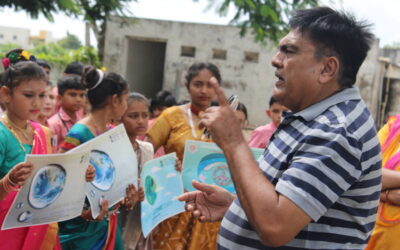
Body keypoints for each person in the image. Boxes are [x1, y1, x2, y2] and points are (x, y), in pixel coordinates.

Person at [178, 7, 382, 249]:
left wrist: (233, 142)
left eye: (290, 51)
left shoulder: (336, 130)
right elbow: (290, 204)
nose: (276, 59)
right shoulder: (310, 118)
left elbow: (275, 227)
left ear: (327, 69)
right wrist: (239, 205)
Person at [57, 66, 138, 250]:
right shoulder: (78, 134)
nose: (126, 106)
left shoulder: (109, 133)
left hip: (105, 224)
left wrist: (126, 196)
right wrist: (84, 214)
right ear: (115, 100)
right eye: (126, 99)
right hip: (81, 230)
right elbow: (60, 183)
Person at [146, 62, 222, 249]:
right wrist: (166, 166)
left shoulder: (222, 120)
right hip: (173, 201)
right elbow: (145, 152)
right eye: (198, 84)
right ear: (187, 85)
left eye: (210, 85)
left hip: (209, 205)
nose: (204, 90)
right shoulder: (171, 116)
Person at [0, 61, 60, 249]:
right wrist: (8, 182)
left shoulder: (43, 132)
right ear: (5, 94)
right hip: (6, 232)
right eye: (28, 95)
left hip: (37, 225)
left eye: (42, 95)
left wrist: (78, 173)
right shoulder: (2, 134)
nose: (37, 102)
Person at [120, 93, 153, 250]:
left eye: (145, 115)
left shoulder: (147, 149)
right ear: (120, 117)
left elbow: (152, 183)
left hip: (140, 222)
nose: (140, 121)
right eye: (133, 116)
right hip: (120, 220)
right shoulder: (115, 150)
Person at [365, 114, 400, 249]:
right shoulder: (393, 127)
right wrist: (388, 195)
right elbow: (365, 171)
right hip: (372, 235)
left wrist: (377, 192)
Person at [47, 75, 85, 151]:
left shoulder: (82, 121)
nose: (78, 99)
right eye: (73, 95)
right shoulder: (54, 124)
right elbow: (52, 151)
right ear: (60, 98)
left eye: (82, 95)